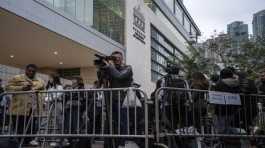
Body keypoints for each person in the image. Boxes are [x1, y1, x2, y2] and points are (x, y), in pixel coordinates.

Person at [100, 51, 134, 148]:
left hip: (122, 99)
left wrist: (110, 67)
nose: (117, 59)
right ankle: (109, 143)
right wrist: (103, 69)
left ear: (122, 58)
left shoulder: (128, 68)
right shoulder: (111, 68)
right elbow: (101, 81)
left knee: (122, 123)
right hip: (111, 100)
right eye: (114, 58)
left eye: (118, 57)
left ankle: (122, 144)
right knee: (110, 122)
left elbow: (119, 76)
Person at [5, 64, 44, 145]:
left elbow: (44, 91)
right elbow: (7, 87)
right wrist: (21, 88)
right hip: (19, 108)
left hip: (33, 108)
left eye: (33, 71)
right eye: (29, 70)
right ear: (26, 70)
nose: (31, 72)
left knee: (32, 127)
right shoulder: (17, 78)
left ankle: (28, 142)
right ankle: (22, 143)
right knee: (19, 127)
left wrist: (42, 99)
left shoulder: (40, 81)